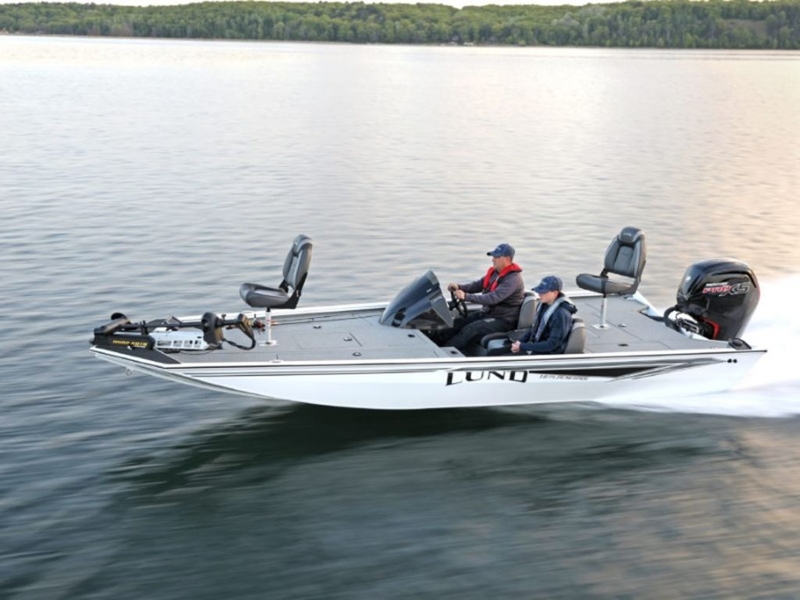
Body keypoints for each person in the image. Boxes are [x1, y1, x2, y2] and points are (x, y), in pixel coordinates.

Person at [441, 243, 525, 353]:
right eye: (493, 256)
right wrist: (459, 287)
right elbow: (478, 285)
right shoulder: (496, 273)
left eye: (496, 257)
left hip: (504, 320)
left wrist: (466, 296)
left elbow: (493, 298)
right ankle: (436, 346)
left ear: (507, 259)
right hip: (488, 313)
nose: (493, 260)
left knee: (470, 329)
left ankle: (443, 354)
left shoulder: (513, 279)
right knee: (456, 323)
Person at [511, 275, 577, 355]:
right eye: (539, 291)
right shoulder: (544, 304)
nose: (539, 294)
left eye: (544, 292)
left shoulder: (561, 315)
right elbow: (534, 327)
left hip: (548, 355)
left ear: (555, 293)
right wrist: (520, 342)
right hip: (537, 347)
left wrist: (523, 346)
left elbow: (552, 344)